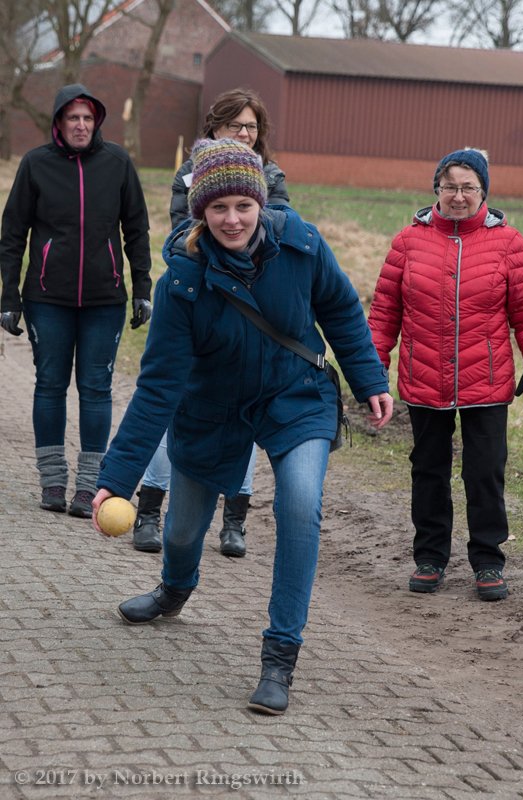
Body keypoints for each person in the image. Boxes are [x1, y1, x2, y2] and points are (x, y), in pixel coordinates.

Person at [92, 137, 393, 715]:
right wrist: (118, 475)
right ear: (200, 211)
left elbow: (340, 309)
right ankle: (175, 587)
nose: (232, 219)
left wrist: (369, 379)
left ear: (261, 203)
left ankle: (280, 656)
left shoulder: (301, 244)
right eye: (218, 208)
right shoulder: (182, 282)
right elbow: (158, 387)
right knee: (183, 531)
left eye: (243, 206)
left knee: (299, 506)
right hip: (212, 410)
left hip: (294, 396)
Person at [368, 148, 523, 601]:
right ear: (436, 189)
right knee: (428, 471)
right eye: (449, 186)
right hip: (424, 377)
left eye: (468, 187)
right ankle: (430, 558)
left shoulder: (508, 242)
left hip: (485, 380)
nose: (458, 196)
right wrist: (372, 370)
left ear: (483, 192)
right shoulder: (408, 242)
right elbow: (385, 312)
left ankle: (488, 561)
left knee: (484, 472)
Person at [133, 87, 289, 556]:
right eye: (234, 125)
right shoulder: (189, 174)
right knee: (176, 405)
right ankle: (149, 510)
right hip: (197, 301)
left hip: (251, 308)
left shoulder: (272, 175)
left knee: (245, 410)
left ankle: (234, 521)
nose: (243, 134)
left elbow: (278, 233)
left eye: (251, 127)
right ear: (214, 127)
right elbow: (185, 234)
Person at [0, 83, 152, 518]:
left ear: (96, 121)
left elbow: (137, 230)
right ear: (59, 123)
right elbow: (12, 235)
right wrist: (9, 296)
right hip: (47, 298)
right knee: (50, 384)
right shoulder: (36, 165)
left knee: (96, 388)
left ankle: (88, 487)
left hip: (105, 299)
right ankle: (52, 481)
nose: (81, 125)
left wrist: (143, 289)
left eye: (87, 118)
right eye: (73, 118)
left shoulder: (117, 163)